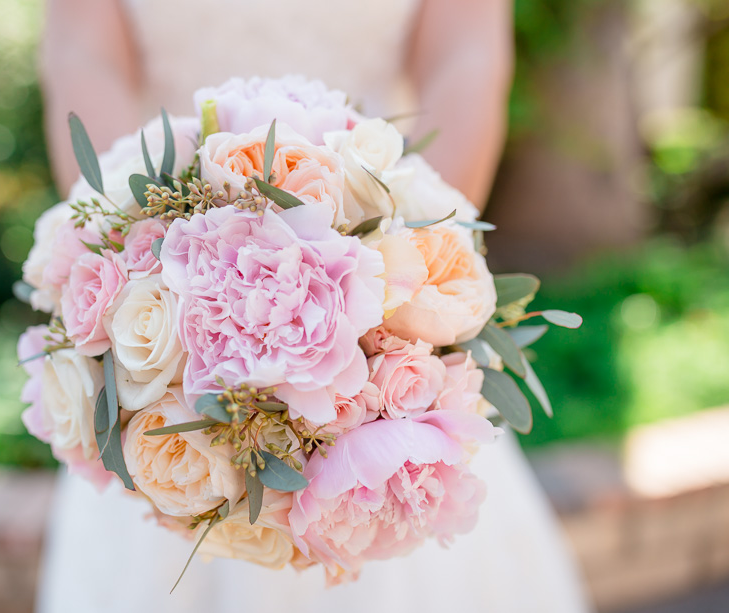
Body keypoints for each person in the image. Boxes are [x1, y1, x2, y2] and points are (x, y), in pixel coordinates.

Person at [36, 1, 593, 611]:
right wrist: (142, 260)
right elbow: (86, 61)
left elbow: (464, 61)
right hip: (167, 319)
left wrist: (401, 276)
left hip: (376, 251)